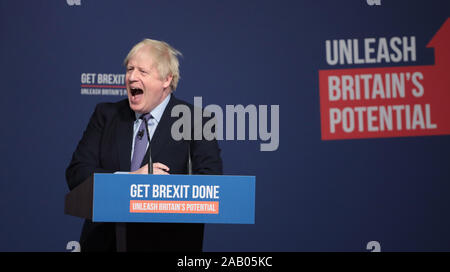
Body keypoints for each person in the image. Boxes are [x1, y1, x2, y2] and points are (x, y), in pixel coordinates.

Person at [66, 38, 223, 252]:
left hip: (168, 244)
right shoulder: (106, 115)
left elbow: (211, 183)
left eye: (142, 71)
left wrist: (159, 188)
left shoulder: (195, 121)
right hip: (106, 243)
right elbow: (77, 173)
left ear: (166, 79)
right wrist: (128, 181)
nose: (131, 77)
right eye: (129, 69)